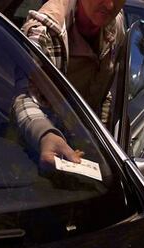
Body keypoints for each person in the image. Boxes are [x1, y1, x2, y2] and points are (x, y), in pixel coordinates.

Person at [12, 0, 125, 168]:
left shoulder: (115, 25)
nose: (110, 6)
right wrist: (45, 134)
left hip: (81, 153)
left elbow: (104, 92)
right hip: (31, 158)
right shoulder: (44, 33)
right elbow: (23, 97)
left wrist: (101, 143)